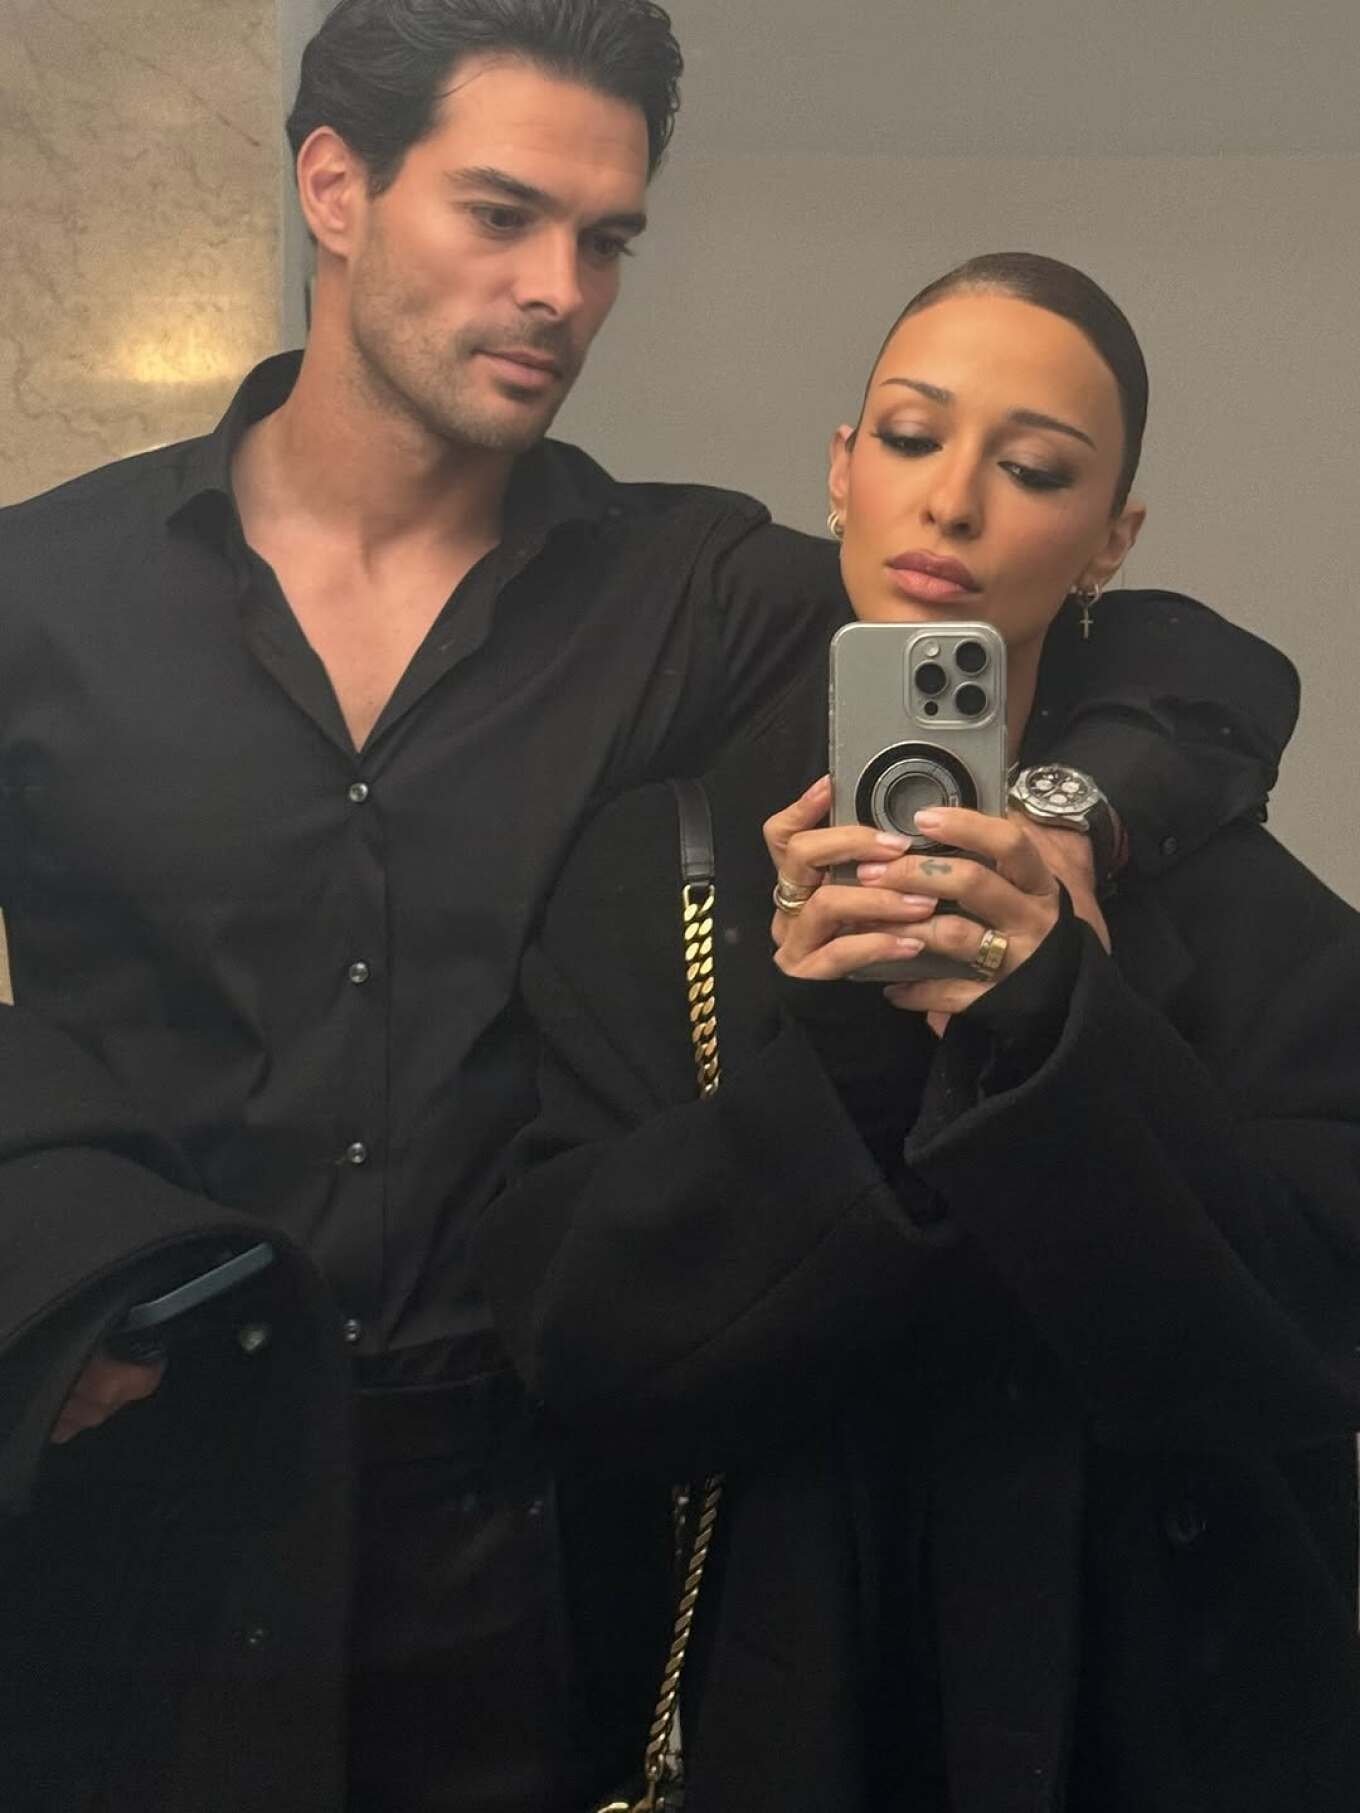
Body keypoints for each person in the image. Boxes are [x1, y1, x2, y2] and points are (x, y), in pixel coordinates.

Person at [0, 0, 1298, 1799]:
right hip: (143, 1505)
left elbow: (1171, 654)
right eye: (503, 214)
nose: (560, 289)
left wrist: (1082, 809)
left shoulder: (690, 588)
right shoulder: (43, 591)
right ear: (335, 187)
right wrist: (41, 1271)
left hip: (527, 1541)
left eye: (606, 240)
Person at [472, 254, 1360, 1813]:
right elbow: (586, 1346)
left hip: (1149, 1708)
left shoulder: (1236, 906)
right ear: (840, 470)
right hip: (789, 1689)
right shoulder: (661, 871)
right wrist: (844, 1049)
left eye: (1036, 470)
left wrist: (1055, 1020)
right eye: (908, 435)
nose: (952, 501)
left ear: (1111, 540)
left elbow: (1300, 1344)